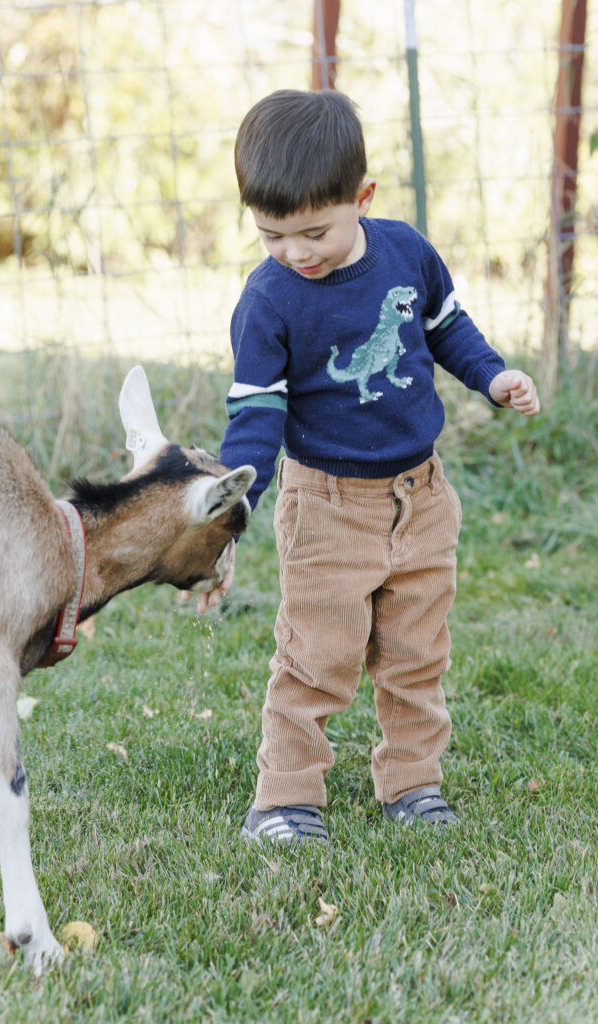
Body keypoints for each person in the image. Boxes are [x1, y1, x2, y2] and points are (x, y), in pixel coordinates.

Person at [185, 89, 540, 843]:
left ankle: (411, 783)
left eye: (313, 231)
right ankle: (284, 798)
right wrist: (234, 495)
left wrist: (493, 376)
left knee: (416, 652)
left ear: (362, 199)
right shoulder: (268, 299)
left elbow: (447, 327)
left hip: (422, 495)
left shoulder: (406, 253)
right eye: (271, 235)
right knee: (317, 655)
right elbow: (255, 411)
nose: (294, 252)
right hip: (326, 506)